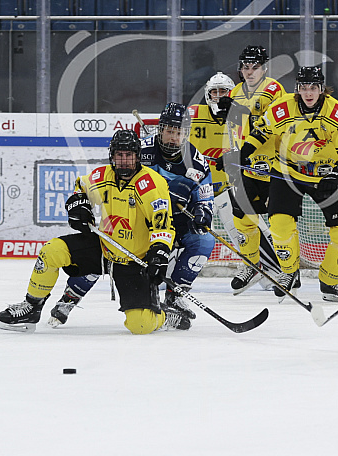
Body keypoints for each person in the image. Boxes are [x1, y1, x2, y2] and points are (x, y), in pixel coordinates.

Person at [0, 130, 189, 335]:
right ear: (111, 156)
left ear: (138, 156)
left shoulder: (151, 184)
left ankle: (166, 316)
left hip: (135, 260)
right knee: (51, 251)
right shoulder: (102, 175)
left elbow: (163, 225)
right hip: (104, 247)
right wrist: (79, 205)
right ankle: (31, 307)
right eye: (119, 155)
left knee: (140, 325)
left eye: (129, 155)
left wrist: (159, 254)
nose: (123, 161)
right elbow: (80, 187)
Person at [47, 104, 214, 327]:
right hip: (131, 215)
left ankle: (175, 295)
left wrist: (202, 212)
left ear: (186, 133)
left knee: (204, 240)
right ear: (160, 129)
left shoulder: (197, 161)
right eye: (169, 131)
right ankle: (70, 297)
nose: (173, 137)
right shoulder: (140, 149)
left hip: (168, 222)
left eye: (179, 132)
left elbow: (205, 196)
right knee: (104, 248)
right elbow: (114, 173)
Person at [238, 66, 338, 302]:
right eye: (303, 88)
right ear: (297, 89)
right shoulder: (283, 107)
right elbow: (262, 130)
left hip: (325, 176)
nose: (308, 93)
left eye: (313, 87)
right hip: (287, 172)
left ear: (322, 88)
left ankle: (331, 281)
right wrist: (246, 150)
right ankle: (289, 273)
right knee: (280, 225)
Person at [188, 71, 283, 294]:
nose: (219, 96)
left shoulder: (243, 116)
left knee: (246, 231)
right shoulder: (192, 115)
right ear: (207, 94)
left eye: (224, 92)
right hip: (199, 188)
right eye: (215, 92)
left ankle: (275, 271)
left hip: (231, 185)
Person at [215, 45, 287, 294]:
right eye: (246, 67)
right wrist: (228, 157)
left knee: (280, 220)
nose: (250, 71)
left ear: (264, 68)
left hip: (273, 165)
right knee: (242, 217)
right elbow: (233, 133)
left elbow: (274, 122)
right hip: (245, 167)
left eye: (255, 66)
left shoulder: (273, 89)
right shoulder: (236, 91)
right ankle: (252, 264)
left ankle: (288, 271)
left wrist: (241, 112)